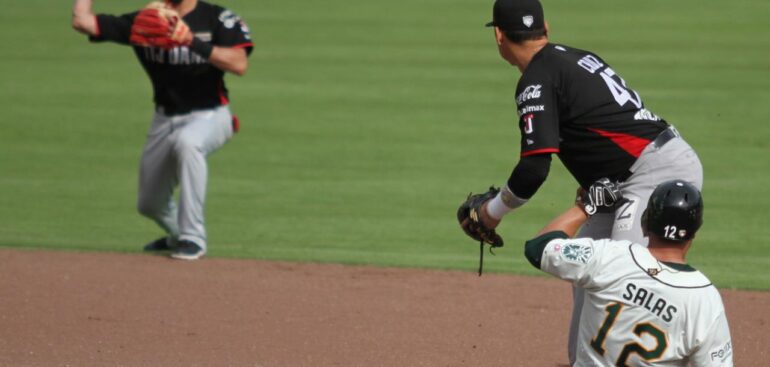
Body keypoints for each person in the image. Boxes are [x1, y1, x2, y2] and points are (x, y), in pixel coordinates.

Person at [473, 0, 703, 360]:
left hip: (652, 174)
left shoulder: (536, 80)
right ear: (546, 28)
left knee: (625, 281)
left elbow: (534, 169)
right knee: (587, 276)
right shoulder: (574, 57)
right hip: (621, 182)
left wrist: (492, 212)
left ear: (499, 36)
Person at [71, 0, 253, 260]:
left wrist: (192, 41)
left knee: (188, 143)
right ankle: (178, 236)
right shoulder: (145, 21)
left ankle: (193, 238)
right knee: (149, 204)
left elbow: (239, 64)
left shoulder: (218, 18)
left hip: (211, 115)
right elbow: (82, 22)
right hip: (163, 119)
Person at [524, 180, 732, 366]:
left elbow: (538, 248)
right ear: (693, 233)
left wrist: (586, 206)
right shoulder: (705, 299)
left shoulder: (610, 257)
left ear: (645, 222)